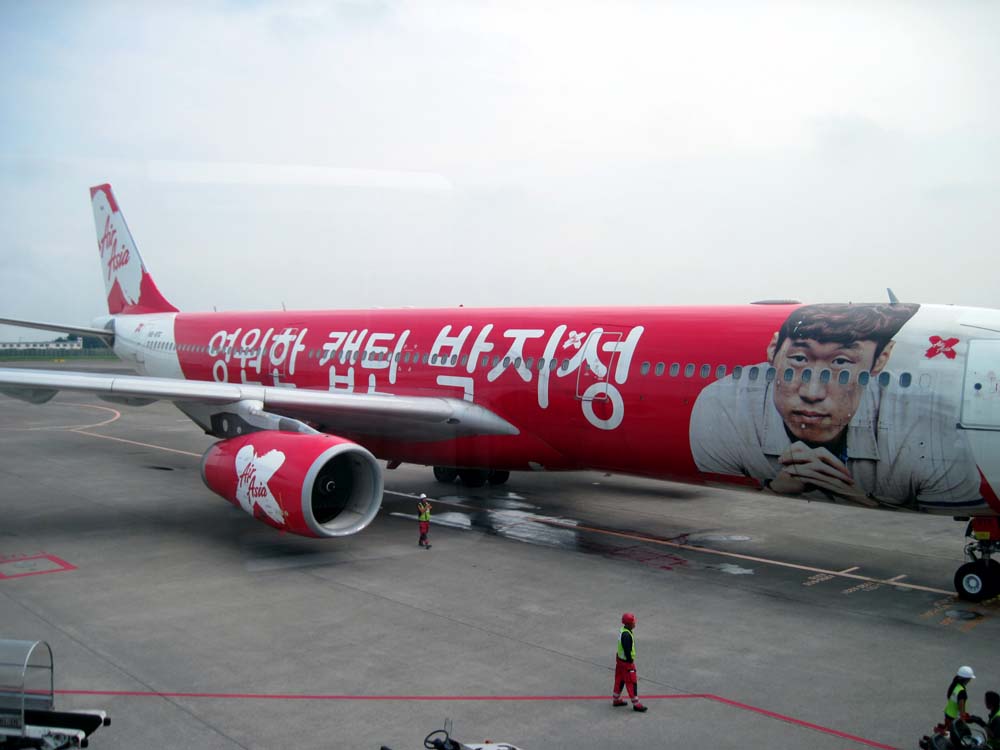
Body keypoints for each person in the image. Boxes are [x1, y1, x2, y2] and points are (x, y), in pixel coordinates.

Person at [689, 303, 985, 511]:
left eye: (841, 364)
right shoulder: (723, 405)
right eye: (799, 360)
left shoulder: (932, 431)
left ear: (881, 360)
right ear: (773, 350)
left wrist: (859, 500)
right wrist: (774, 489)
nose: (812, 393)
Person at [612, 612, 647, 712]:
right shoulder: (627, 635)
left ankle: (616, 699)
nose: (634, 623)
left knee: (619, 680)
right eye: (633, 622)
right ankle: (636, 704)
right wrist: (630, 660)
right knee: (631, 682)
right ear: (629, 624)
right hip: (626, 663)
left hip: (620, 660)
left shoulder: (623, 630)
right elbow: (627, 650)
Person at [944, 666, 976, 731]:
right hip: (954, 719)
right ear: (967, 679)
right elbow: (961, 710)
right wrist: (964, 724)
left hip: (948, 714)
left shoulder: (954, 685)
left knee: (948, 733)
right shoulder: (961, 692)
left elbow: (949, 697)